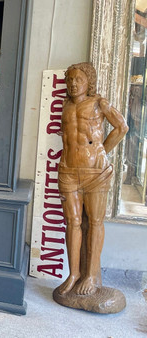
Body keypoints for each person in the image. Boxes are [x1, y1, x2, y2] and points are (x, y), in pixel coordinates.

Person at [55, 62, 128, 296]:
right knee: (72, 222)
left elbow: (122, 127)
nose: (73, 84)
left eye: (79, 80)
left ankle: (90, 276)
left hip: (95, 172)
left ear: (89, 82)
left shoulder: (99, 103)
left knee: (95, 222)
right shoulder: (65, 106)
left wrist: (102, 151)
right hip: (68, 171)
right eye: (70, 80)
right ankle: (73, 273)